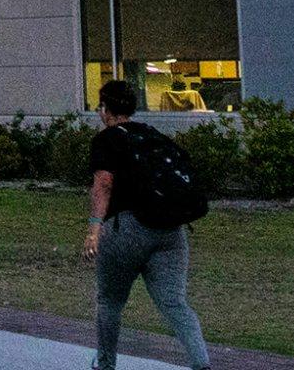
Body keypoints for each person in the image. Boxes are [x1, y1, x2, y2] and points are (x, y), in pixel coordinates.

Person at [85, 80, 210, 370]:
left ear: (105, 109)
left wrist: (93, 231)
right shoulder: (154, 135)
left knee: (110, 302)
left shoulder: (107, 139)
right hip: (170, 232)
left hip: (125, 230)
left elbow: (103, 184)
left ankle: (105, 365)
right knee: (175, 303)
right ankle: (201, 362)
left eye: (100, 107)